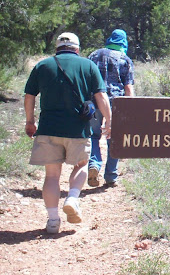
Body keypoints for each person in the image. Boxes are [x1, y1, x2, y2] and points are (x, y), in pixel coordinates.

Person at [24, 32, 112, 234]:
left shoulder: (42, 66)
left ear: (56, 48)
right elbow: (101, 96)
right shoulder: (88, 66)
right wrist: (109, 120)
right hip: (78, 129)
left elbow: (29, 96)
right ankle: (72, 197)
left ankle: (53, 221)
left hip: (48, 128)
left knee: (52, 175)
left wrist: (30, 122)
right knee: (81, 165)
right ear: (77, 49)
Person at [87, 29, 135, 187]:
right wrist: (131, 110)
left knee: (93, 135)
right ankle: (111, 175)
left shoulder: (94, 55)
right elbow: (128, 88)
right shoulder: (125, 59)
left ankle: (94, 164)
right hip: (116, 104)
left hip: (94, 101)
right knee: (114, 137)